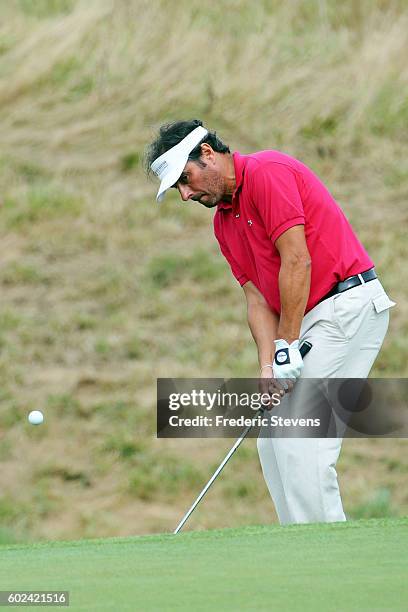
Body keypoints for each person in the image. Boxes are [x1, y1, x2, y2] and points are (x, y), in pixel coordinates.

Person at [144, 119, 396, 524]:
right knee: (272, 443)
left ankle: (325, 558)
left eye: (186, 180)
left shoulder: (266, 172)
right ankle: (298, 549)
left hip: (345, 306)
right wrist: (268, 365)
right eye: (179, 189)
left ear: (208, 154)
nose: (186, 194)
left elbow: (298, 260)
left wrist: (286, 346)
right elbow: (257, 298)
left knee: (300, 436)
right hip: (310, 319)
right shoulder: (223, 222)